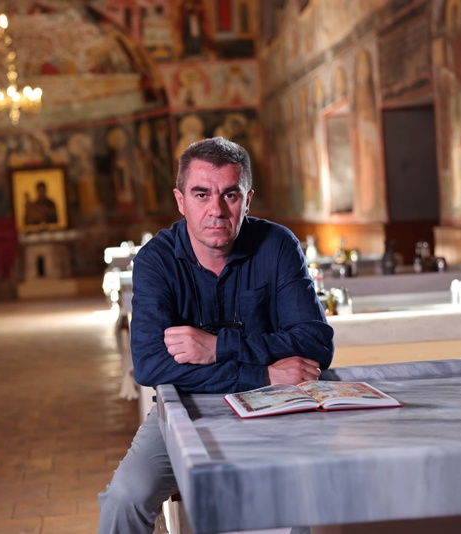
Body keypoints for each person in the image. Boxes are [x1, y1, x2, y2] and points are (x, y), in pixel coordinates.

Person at [98, 137, 334, 533]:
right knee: (126, 497)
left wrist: (216, 347)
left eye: (230, 195)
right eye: (201, 194)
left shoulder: (278, 245)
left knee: (306, 488)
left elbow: (315, 343)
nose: (216, 210)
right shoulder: (156, 260)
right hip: (187, 407)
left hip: (276, 404)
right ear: (180, 200)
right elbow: (151, 365)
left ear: (247, 200)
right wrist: (263, 372)